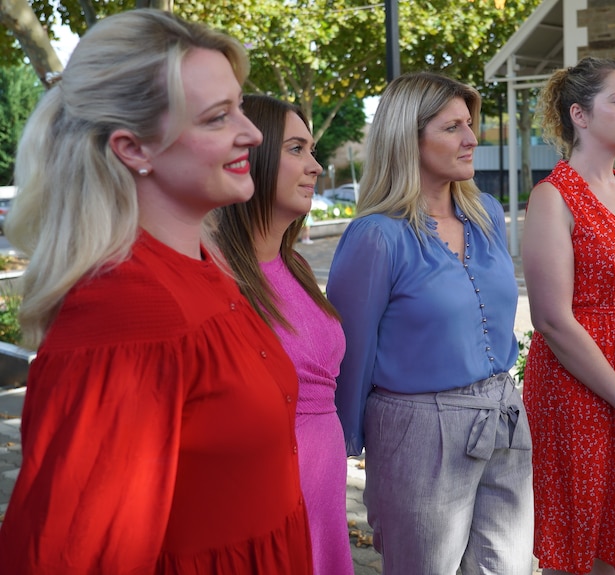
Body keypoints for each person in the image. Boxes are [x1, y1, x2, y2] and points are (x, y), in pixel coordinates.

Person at [0, 10, 312, 574]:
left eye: (239, 107)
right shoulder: (128, 314)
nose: (252, 133)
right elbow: (75, 554)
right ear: (133, 149)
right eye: (218, 117)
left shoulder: (205, 269)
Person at [327, 71, 533, 574]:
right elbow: (350, 351)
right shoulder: (376, 236)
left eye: (470, 124)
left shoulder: (486, 212)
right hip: (420, 429)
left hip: (505, 415)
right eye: (452, 128)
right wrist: (343, 448)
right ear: (408, 138)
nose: (471, 139)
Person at [521, 56, 615, 575]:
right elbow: (552, 321)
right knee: (577, 549)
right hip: (580, 393)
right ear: (579, 116)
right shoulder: (552, 197)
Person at [215, 94, 353, 575]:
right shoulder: (216, 274)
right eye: (296, 149)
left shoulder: (292, 264)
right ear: (249, 155)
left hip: (323, 498)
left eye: (313, 151)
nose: (315, 166)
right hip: (262, 509)